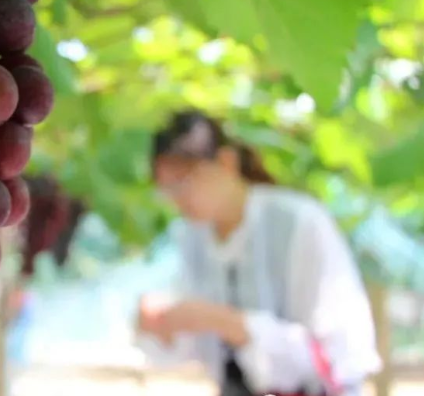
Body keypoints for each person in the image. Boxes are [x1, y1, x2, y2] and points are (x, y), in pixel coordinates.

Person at [136, 110, 381, 396]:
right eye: (167, 189)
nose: (178, 199)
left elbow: (337, 351)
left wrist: (227, 322)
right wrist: (167, 324)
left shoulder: (297, 222)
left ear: (226, 162)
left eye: (184, 182)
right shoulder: (193, 237)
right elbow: (201, 347)